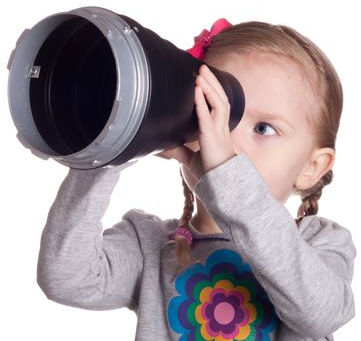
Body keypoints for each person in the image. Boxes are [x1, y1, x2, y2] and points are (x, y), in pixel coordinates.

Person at [37, 18, 356, 341]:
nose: (226, 141)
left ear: (312, 166)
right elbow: (66, 277)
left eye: (263, 128)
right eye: (208, 113)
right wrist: (112, 143)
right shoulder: (151, 244)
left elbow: (323, 315)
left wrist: (229, 179)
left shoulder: (319, 243)